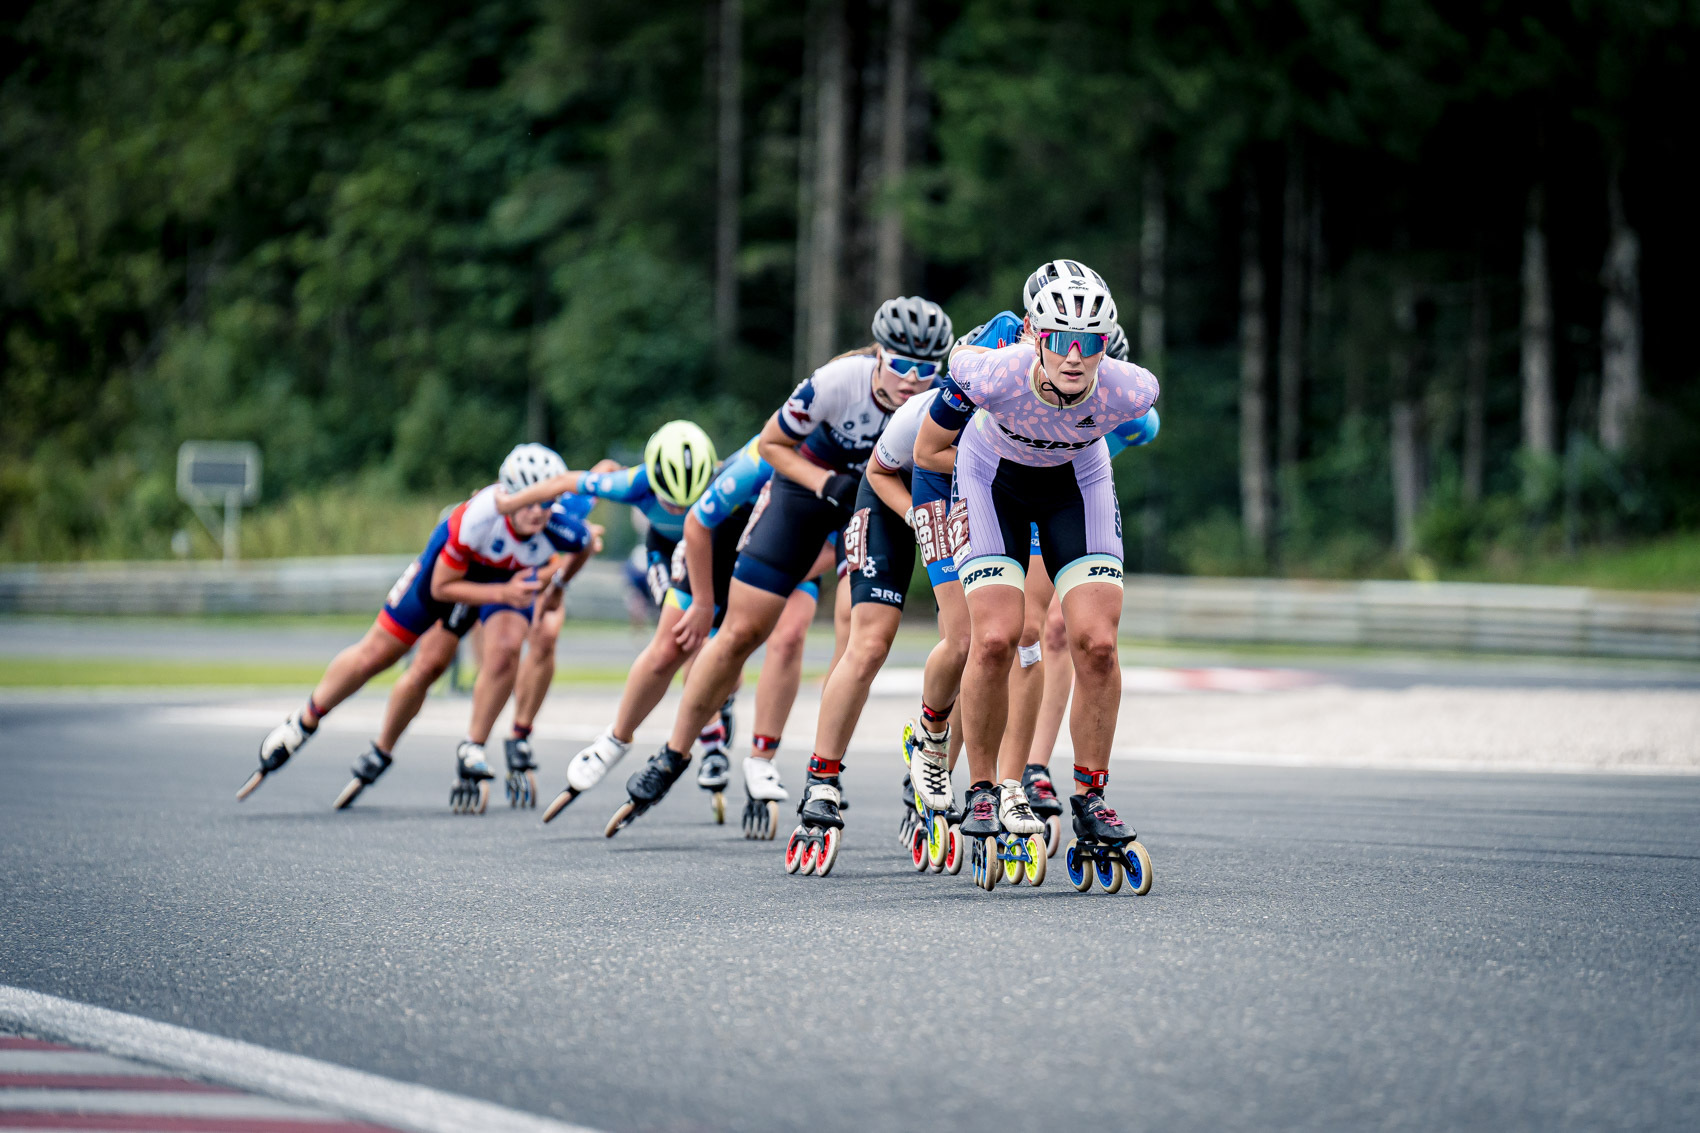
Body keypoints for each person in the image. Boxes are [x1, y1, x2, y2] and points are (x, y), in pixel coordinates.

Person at [605, 296, 954, 854]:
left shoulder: (942, 400)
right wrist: (821, 485)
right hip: (809, 493)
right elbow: (771, 444)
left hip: (878, 507)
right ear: (877, 353)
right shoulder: (838, 382)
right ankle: (673, 752)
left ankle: (842, 772)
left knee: (858, 639)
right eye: (900, 364)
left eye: (926, 370)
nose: (912, 380)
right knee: (742, 633)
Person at [914, 259, 1158, 891]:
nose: (1075, 358)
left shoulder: (1132, 391)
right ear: (1033, 335)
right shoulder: (985, 371)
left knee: (1097, 644)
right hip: (991, 478)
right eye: (1060, 340)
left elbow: (1132, 424)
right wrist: (964, 525)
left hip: (1078, 486)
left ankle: (1091, 795)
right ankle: (986, 788)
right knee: (997, 638)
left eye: (1091, 344)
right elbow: (926, 452)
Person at [238, 444, 572, 810]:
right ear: (508, 493)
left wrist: (548, 585)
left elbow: (576, 543)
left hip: (507, 579)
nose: (538, 512)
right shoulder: (478, 517)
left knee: (510, 649)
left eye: (546, 502)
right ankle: (309, 723)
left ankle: (476, 745)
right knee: (403, 660)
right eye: (530, 501)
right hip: (450, 578)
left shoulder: (561, 517)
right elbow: (441, 588)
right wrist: (503, 591)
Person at [537, 434, 834, 826]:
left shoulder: (847, 470)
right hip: (709, 546)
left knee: (788, 636)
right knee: (675, 644)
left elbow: (834, 550)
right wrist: (703, 605)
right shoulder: (755, 457)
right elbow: (697, 524)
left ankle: (761, 757)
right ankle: (617, 738)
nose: (676, 506)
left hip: (789, 554)